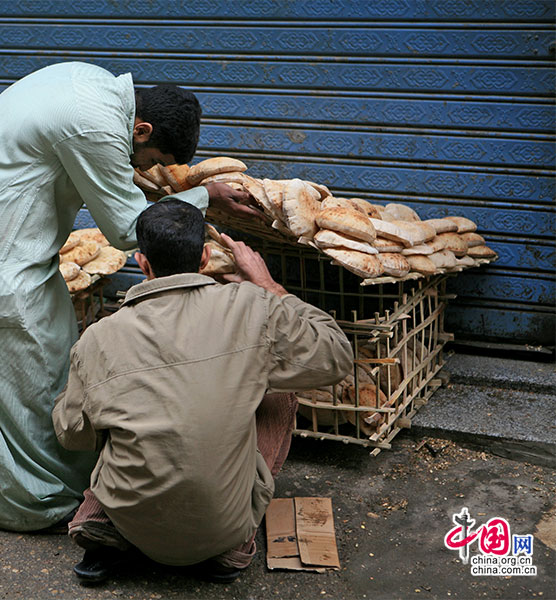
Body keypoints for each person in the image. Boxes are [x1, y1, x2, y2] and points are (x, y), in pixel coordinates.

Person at [0, 61, 258, 532]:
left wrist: (199, 187)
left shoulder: (97, 87)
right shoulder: (94, 126)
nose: (148, 169)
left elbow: (108, 174)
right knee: (27, 343)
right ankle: (36, 494)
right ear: (141, 129)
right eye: (152, 158)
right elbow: (125, 229)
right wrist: (204, 200)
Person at [51, 199, 354, 583]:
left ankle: (98, 519)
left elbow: (71, 434)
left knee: (108, 418)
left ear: (142, 264)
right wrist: (268, 284)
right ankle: (229, 547)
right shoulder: (252, 305)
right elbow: (336, 355)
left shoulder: (97, 339)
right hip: (222, 528)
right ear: (206, 258)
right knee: (279, 392)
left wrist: (100, 394)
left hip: (135, 523)